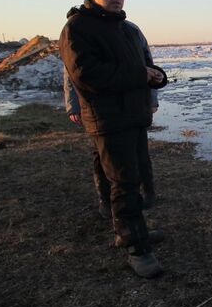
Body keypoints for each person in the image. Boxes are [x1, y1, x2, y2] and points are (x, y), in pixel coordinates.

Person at [59, 0, 168, 279]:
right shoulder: (77, 27)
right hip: (108, 118)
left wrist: (156, 76)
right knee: (123, 181)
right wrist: (140, 75)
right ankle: (136, 249)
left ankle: (134, 230)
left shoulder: (124, 28)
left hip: (133, 114)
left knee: (137, 176)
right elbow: (87, 75)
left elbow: (141, 65)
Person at [63, 69, 159, 218]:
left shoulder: (137, 44)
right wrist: (72, 105)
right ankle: (106, 200)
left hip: (134, 106)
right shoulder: (80, 45)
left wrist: (152, 99)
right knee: (102, 157)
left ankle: (148, 193)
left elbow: (149, 69)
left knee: (140, 152)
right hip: (100, 111)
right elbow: (73, 73)